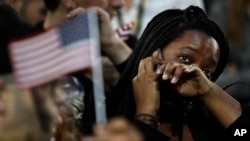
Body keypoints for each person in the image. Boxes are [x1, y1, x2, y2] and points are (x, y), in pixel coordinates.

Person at [106, 5, 250, 141]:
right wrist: (146, 115)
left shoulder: (215, 127)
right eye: (185, 58)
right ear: (152, 55)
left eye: (207, 71)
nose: (195, 71)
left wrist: (207, 91)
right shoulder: (107, 125)